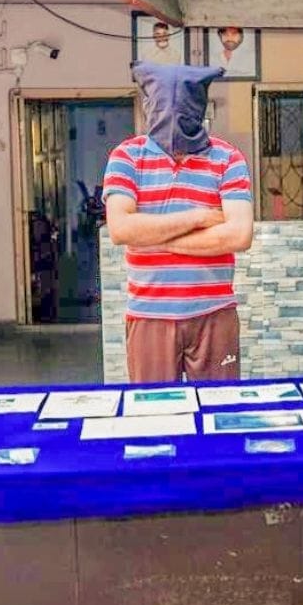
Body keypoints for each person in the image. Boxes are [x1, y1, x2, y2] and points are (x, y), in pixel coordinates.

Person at [103, 62, 254, 383]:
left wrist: (151, 236)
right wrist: (198, 217)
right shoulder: (127, 157)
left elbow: (239, 235)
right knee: (154, 408)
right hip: (149, 315)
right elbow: (121, 229)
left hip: (214, 314)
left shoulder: (228, 158)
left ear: (199, 110)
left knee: (219, 406)